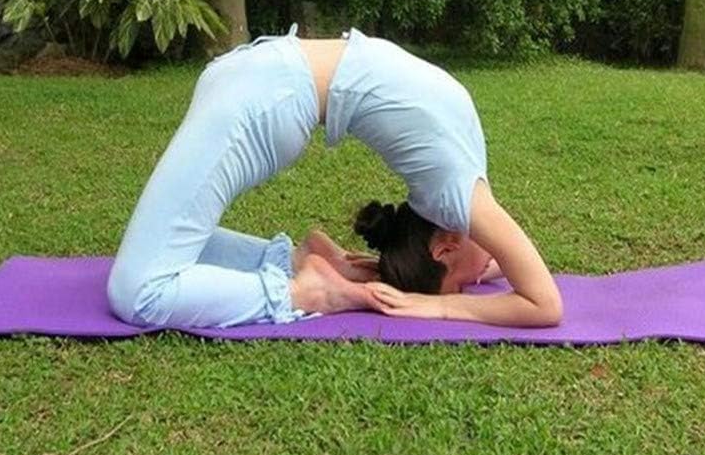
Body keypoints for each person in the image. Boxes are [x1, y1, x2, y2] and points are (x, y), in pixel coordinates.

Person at [106, 25, 562, 330]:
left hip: (262, 87)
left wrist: (442, 299)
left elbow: (520, 279)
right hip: (260, 100)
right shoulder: (458, 198)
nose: (478, 282)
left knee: (140, 281)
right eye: (463, 286)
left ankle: (305, 283)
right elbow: (544, 304)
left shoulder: (457, 197)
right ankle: (307, 282)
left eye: (466, 286)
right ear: (444, 245)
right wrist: (441, 304)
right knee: (142, 290)